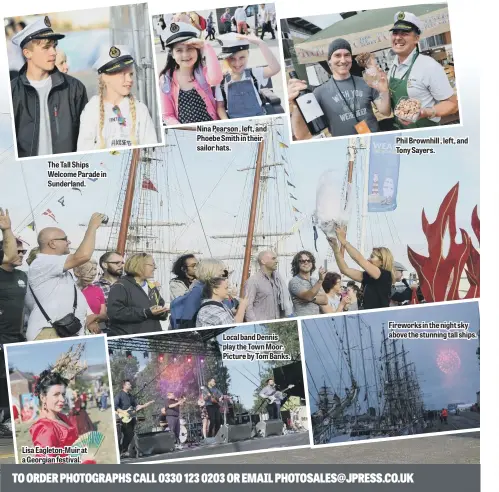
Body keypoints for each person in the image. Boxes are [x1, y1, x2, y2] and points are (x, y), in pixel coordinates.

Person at [11, 16, 88, 157]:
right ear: (27, 53)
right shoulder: (12, 93)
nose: (53, 52)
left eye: (54, 46)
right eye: (46, 47)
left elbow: (87, 141)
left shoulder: (75, 89)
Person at [288, 38, 391, 139]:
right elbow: (302, 135)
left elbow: (385, 112)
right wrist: (297, 106)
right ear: (329, 61)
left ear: (351, 59)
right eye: (337, 55)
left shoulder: (366, 81)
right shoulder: (319, 93)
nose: (343, 60)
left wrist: (384, 90)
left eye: (347, 55)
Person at [26, 213, 106, 341]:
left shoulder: (58, 268)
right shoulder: (42, 263)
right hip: (49, 332)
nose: (68, 241)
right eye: (65, 239)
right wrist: (92, 227)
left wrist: (89, 317)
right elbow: (83, 256)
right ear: (52, 243)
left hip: (64, 332)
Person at [77, 45, 158, 150]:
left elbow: (150, 147)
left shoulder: (140, 109)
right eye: (123, 75)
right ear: (105, 78)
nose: (129, 79)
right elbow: (84, 149)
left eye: (131, 74)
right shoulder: (92, 109)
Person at [388, 12, 458, 129]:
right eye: (395, 33)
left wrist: (425, 112)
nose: (398, 37)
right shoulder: (393, 67)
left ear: (416, 38)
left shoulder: (429, 66)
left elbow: (452, 104)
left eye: (405, 33)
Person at [30, 347, 96, 464]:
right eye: (56, 394)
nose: (62, 399)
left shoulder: (62, 417)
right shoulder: (45, 428)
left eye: (63, 394)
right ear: (43, 397)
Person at [159, 22, 223, 125]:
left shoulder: (202, 70)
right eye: (179, 50)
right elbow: (167, 115)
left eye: (190, 48)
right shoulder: (166, 79)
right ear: (172, 55)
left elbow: (216, 79)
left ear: (197, 50)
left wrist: (205, 46)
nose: (185, 54)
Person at [215, 33, 280, 120]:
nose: (237, 63)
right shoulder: (221, 81)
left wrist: (261, 43)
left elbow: (275, 68)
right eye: (232, 58)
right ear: (226, 59)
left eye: (242, 57)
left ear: (248, 55)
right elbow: (220, 107)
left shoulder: (254, 73)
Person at [329, 226, 395, 310]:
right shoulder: (368, 277)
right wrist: (335, 249)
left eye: (372, 257)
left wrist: (342, 240)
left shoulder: (384, 275)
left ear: (382, 261)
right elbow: (345, 270)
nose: (368, 259)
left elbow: (360, 260)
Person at [107, 253, 169, 336]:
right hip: (132, 342)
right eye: (151, 265)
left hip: (153, 340)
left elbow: (160, 304)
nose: (155, 268)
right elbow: (115, 313)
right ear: (139, 265)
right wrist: (145, 312)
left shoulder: (151, 287)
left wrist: (162, 312)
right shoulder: (120, 286)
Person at [0, 208, 28, 344]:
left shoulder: (22, 275)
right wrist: (6, 230)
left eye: (23, 251)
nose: (21, 255)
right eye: (18, 251)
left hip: (17, 336)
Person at [244, 250, 292, 322]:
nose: (277, 261)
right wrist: (255, 325)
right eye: (273, 258)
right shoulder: (253, 281)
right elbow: (247, 308)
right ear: (263, 261)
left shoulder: (277, 280)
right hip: (261, 325)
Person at [114, 380, 153, 457]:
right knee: (118, 436)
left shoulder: (131, 396)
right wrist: (123, 412)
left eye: (130, 384)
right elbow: (115, 406)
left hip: (129, 419)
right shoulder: (119, 395)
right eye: (128, 384)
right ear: (124, 386)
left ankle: (123, 451)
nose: (130, 385)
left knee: (129, 435)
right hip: (120, 418)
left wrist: (146, 405)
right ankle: (117, 452)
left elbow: (136, 407)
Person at [93, 251, 125, 334]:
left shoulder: (128, 284)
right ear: (105, 265)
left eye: (122, 263)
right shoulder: (95, 288)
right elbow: (95, 316)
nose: (121, 266)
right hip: (109, 333)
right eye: (117, 263)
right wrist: (105, 331)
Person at [288, 251, 328, 316]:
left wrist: (311, 299)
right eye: (302, 261)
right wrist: (320, 280)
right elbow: (308, 296)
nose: (306, 262)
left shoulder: (315, 280)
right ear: (297, 264)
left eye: (309, 260)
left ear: (312, 263)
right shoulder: (294, 281)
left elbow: (325, 300)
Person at [74, 259, 104, 334]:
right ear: (77, 272)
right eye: (90, 269)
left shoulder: (97, 290)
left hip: (94, 332)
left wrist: (94, 317)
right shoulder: (70, 289)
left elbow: (104, 315)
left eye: (95, 269)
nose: (94, 273)